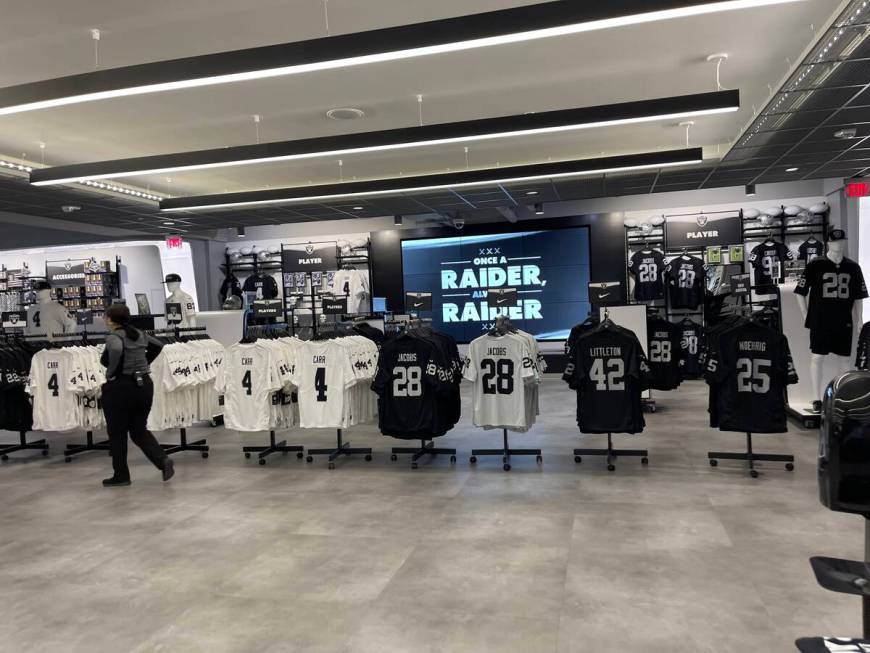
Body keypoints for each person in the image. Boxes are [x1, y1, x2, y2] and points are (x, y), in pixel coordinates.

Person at [100, 304, 175, 487]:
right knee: (139, 430)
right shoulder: (139, 334)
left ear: (110, 319)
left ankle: (121, 475)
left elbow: (116, 350)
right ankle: (162, 460)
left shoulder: (113, 337)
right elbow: (159, 345)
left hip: (121, 387)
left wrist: (111, 372)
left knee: (117, 433)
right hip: (144, 386)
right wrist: (145, 364)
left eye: (105, 316)